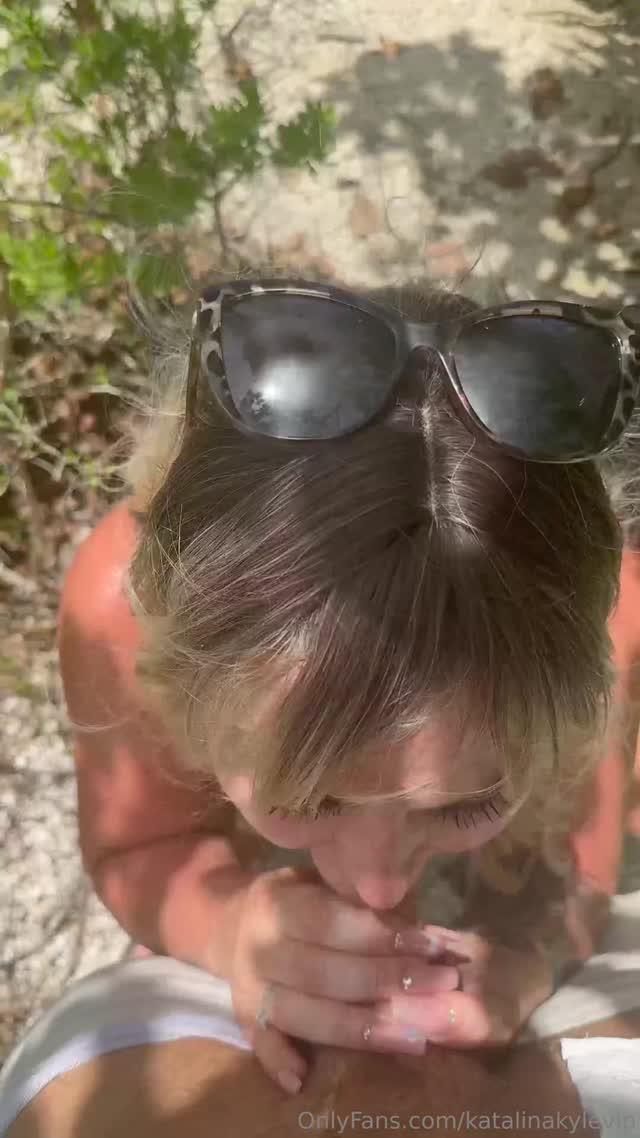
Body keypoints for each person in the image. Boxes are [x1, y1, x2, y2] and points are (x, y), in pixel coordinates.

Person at [56, 273, 640, 1096]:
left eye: (468, 802)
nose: (378, 884)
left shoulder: (604, 627)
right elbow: (133, 846)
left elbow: (584, 865)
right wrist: (224, 924)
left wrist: (530, 955)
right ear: (181, 680)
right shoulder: (122, 609)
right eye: (308, 801)